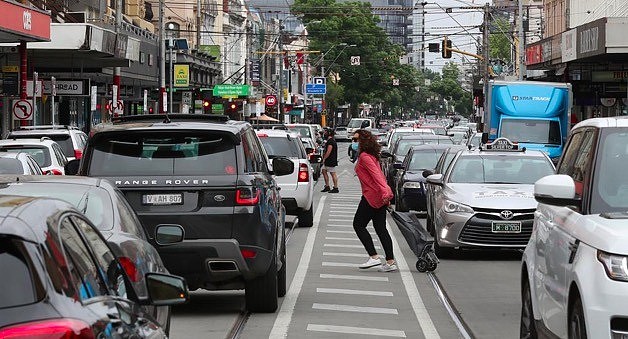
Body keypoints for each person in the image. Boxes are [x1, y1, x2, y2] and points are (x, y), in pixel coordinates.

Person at [352, 129, 397, 272]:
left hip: (372, 196)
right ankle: (390, 262)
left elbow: (377, 175)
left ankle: (374, 257)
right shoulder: (372, 156)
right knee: (380, 228)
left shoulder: (365, 157)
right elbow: (379, 175)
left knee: (358, 224)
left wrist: (386, 191)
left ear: (362, 142)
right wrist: (386, 193)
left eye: (356, 139)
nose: (354, 142)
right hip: (379, 196)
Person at [321, 129, 339, 193]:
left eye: (325, 132)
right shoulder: (330, 141)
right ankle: (327, 186)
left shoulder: (331, 142)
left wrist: (324, 158)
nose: (324, 134)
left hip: (330, 160)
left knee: (333, 173)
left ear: (329, 133)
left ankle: (336, 187)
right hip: (329, 160)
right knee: (324, 171)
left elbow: (328, 151)